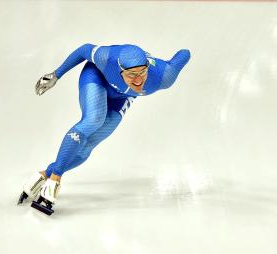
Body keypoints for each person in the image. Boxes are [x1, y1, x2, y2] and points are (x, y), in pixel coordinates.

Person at [18, 43, 191, 215]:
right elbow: (83, 50)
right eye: (131, 75)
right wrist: (56, 75)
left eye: (142, 73)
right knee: (94, 119)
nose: (138, 80)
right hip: (96, 77)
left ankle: (43, 175)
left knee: (88, 145)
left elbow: (185, 53)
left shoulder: (164, 76)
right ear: (120, 69)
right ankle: (54, 181)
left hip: (123, 97)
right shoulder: (106, 57)